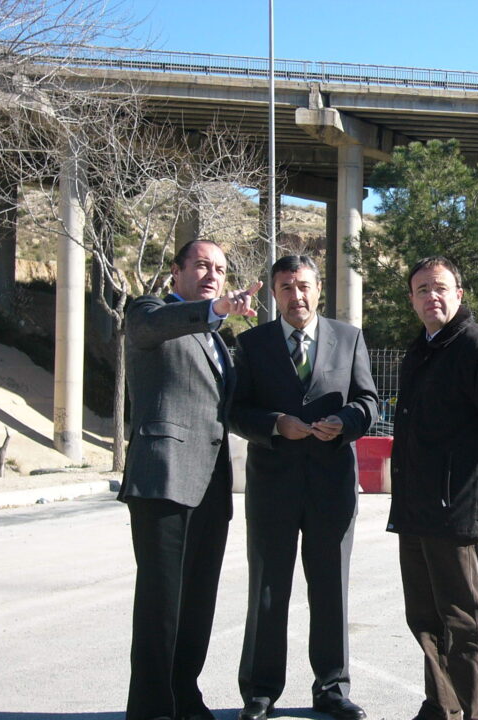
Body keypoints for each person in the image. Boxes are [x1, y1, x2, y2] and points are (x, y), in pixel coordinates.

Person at [229, 255, 378, 720]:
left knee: (331, 589)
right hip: (273, 487)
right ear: (274, 293)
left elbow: (368, 401)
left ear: (319, 289)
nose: (297, 296)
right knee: (268, 588)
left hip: (332, 486)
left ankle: (332, 687)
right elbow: (235, 410)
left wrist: (346, 421)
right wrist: (276, 425)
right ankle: (260, 691)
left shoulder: (349, 338)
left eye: (305, 286)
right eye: (287, 287)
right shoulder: (251, 344)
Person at [119, 239, 262, 720]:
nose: (211, 274)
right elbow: (152, 327)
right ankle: (152, 708)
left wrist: (283, 426)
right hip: (163, 477)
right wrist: (213, 310)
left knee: (197, 603)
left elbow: (229, 412)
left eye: (220, 269)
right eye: (201, 265)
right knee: (161, 603)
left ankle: (184, 695)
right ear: (176, 272)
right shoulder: (149, 312)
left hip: (211, 486)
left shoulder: (220, 342)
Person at [388, 256, 478, 720]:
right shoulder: (420, 351)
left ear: (459, 294)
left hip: (456, 508)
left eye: (440, 287)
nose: (432, 296)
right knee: (425, 617)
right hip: (415, 506)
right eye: (422, 289)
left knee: (464, 620)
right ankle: (442, 707)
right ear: (412, 300)